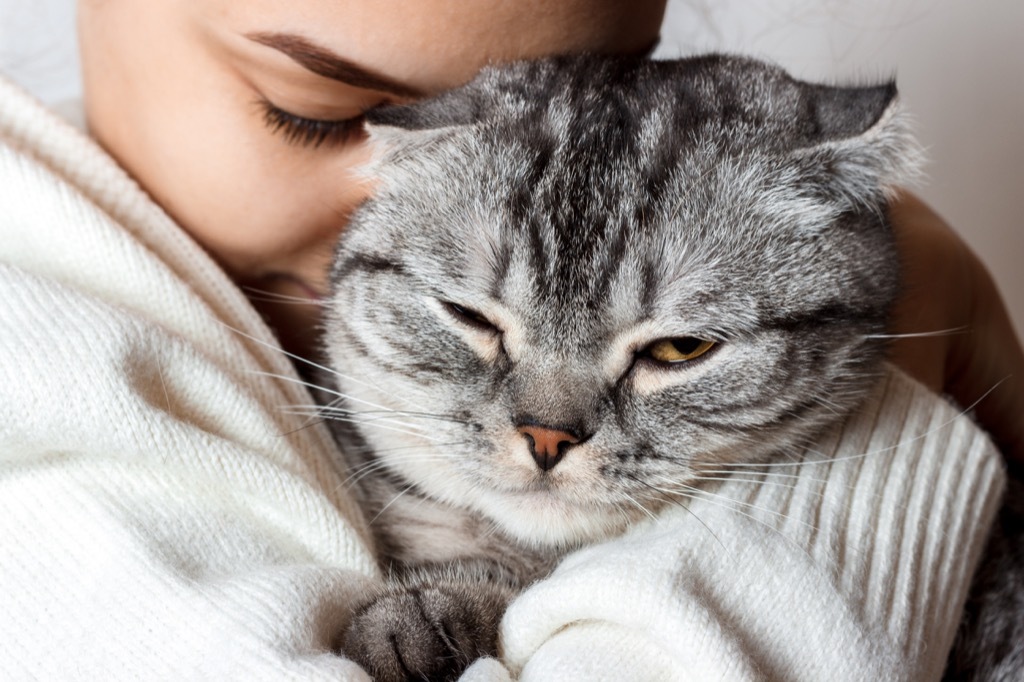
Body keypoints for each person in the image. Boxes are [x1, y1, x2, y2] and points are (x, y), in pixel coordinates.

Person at [0, 0, 1015, 678]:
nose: (547, 430)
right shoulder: (36, 365)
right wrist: (888, 424)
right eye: (312, 112)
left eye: (548, 95)